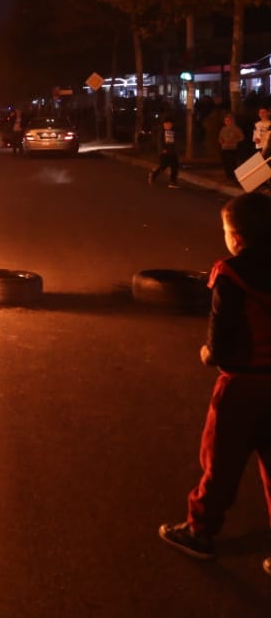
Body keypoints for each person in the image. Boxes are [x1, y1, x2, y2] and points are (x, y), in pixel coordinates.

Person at [159, 193, 271, 578]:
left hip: (242, 386)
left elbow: (220, 336)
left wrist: (209, 353)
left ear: (236, 237)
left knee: (220, 462)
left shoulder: (230, 273)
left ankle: (199, 532)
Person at [148, 117, 180, 188]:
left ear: (171, 125)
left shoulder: (173, 132)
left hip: (173, 152)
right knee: (163, 166)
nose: (167, 126)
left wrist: (176, 149)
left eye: (169, 124)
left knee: (175, 166)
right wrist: (162, 149)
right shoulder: (162, 132)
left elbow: (175, 142)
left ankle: (172, 182)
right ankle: (153, 175)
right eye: (166, 124)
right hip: (165, 153)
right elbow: (159, 141)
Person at [218, 113, 245, 182]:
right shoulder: (223, 129)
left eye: (228, 120)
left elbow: (241, 137)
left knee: (232, 163)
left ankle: (233, 176)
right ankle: (228, 176)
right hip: (224, 148)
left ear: (232, 121)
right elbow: (220, 137)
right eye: (225, 121)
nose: (227, 122)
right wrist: (222, 142)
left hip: (233, 148)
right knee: (226, 163)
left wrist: (234, 141)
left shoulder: (236, 129)